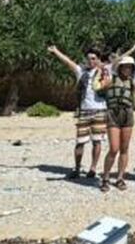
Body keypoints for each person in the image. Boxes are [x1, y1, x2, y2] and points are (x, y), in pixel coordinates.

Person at [47, 44, 109, 180]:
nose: (90, 61)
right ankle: (77, 167)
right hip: (84, 111)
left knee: (97, 141)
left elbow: (118, 61)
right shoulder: (81, 72)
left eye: (93, 59)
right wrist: (56, 51)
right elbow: (68, 62)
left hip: (100, 110)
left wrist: (133, 50)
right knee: (80, 141)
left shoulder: (104, 71)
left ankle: (93, 168)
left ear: (98, 59)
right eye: (89, 59)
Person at [95, 42, 135, 192]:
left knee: (124, 148)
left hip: (127, 114)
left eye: (130, 67)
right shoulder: (111, 78)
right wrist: (132, 49)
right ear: (120, 68)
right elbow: (110, 66)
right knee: (114, 148)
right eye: (125, 67)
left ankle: (120, 178)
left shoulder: (132, 83)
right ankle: (105, 177)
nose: (128, 69)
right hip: (113, 114)